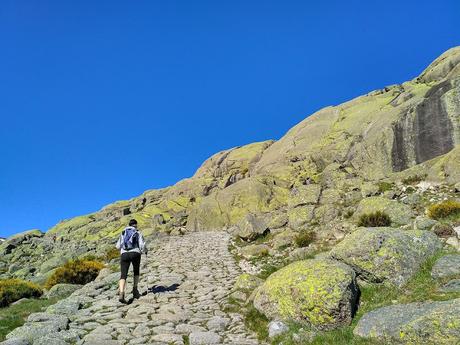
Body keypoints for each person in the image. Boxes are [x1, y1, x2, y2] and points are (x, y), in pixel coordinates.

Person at [116, 219, 148, 303]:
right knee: (136, 271)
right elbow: (142, 245)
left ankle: (122, 293)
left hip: (124, 254)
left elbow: (117, 246)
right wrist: (145, 251)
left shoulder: (123, 232)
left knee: (123, 275)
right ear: (135, 225)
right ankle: (135, 290)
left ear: (129, 225)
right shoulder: (137, 232)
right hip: (135, 253)